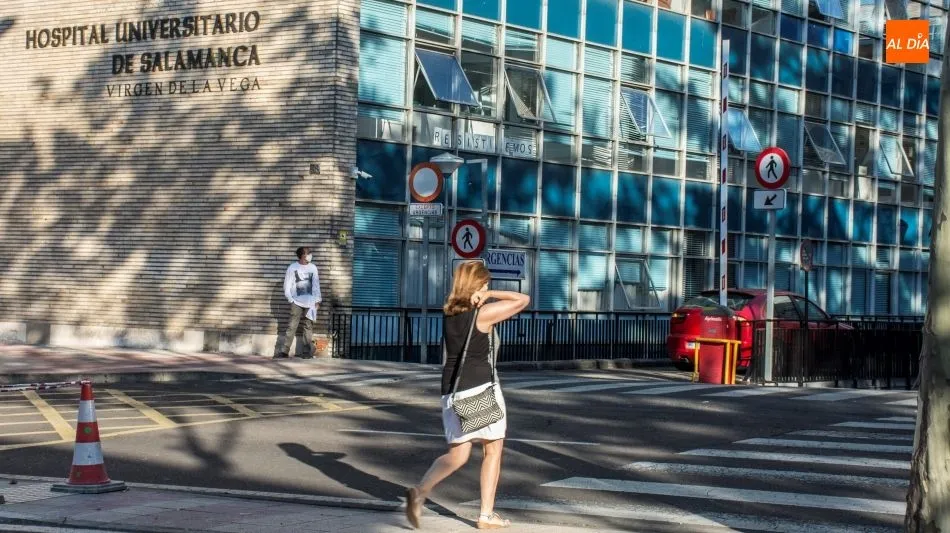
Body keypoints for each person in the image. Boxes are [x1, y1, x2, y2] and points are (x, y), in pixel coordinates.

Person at [405, 261, 530, 530]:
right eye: (485, 283)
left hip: (452, 390)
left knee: (458, 454)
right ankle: (485, 515)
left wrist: (483, 296)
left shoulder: (450, 313)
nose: (487, 287)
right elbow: (523, 299)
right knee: (493, 449)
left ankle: (420, 492)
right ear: (477, 285)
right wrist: (490, 296)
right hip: (480, 387)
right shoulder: (482, 313)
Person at [274, 246, 322, 359]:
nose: (310, 254)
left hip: (310, 303)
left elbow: (316, 285)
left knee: (308, 327)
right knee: (292, 326)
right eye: (308, 253)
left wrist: (318, 300)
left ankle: (306, 353)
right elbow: (287, 285)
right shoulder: (292, 267)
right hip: (296, 302)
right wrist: (291, 300)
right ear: (302, 255)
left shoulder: (313, 268)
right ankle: (284, 351)